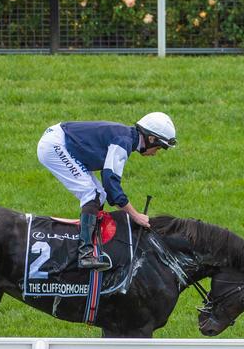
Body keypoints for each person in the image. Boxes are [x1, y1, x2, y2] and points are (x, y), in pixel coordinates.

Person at [36, 113, 176, 271]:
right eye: (158, 147)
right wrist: (135, 215)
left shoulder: (126, 138)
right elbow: (111, 183)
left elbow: (108, 186)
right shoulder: (123, 142)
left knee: (99, 195)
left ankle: (94, 246)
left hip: (58, 140)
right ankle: (85, 254)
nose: (155, 153)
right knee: (91, 194)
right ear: (151, 139)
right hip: (55, 145)